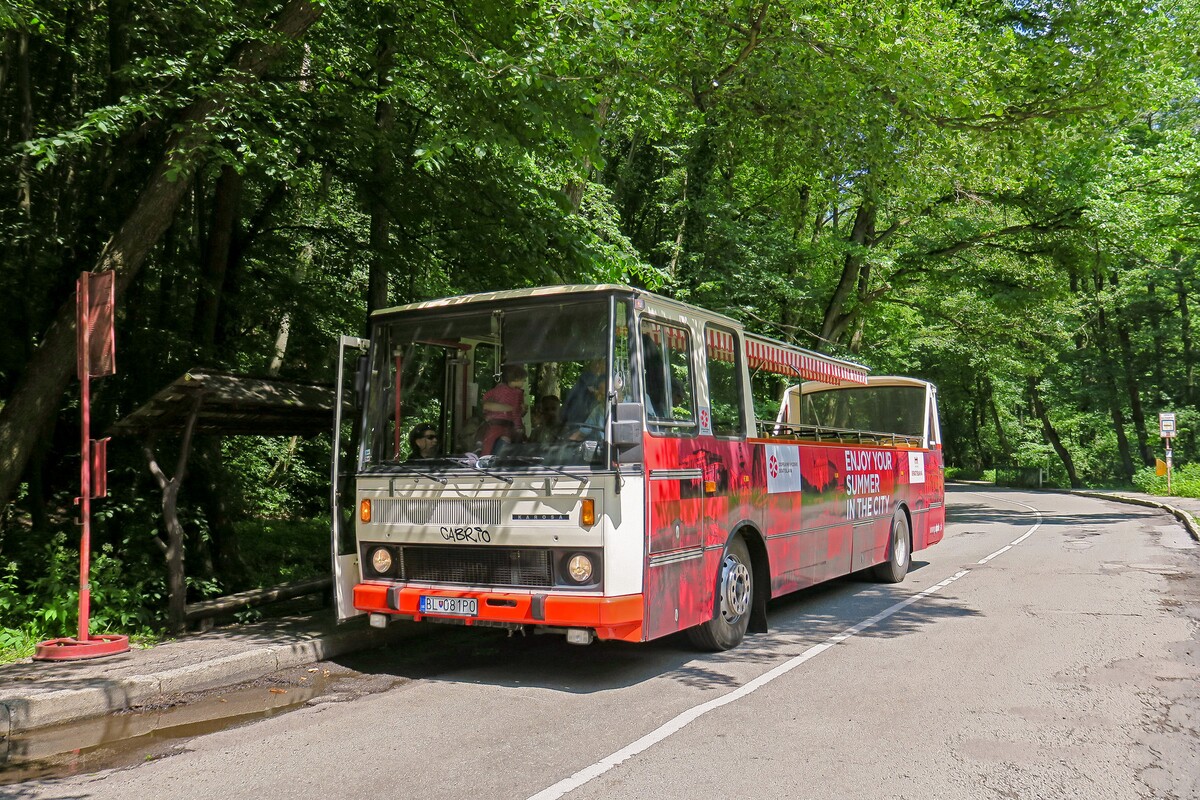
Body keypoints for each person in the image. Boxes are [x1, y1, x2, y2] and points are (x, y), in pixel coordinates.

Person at [480, 364, 527, 454]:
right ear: (516, 379)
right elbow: (516, 413)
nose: (523, 383)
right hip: (507, 425)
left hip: (494, 424)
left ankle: (483, 459)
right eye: (523, 380)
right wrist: (518, 427)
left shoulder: (498, 389)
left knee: (488, 443)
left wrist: (488, 408)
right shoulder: (517, 394)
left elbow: (486, 397)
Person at [562, 358, 605, 428]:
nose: (597, 366)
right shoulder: (584, 382)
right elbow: (569, 403)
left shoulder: (610, 380)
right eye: (595, 363)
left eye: (599, 363)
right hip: (577, 423)